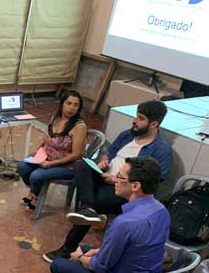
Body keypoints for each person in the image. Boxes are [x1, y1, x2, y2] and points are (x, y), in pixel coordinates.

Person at [43, 99, 172, 263]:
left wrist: (118, 179)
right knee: (82, 165)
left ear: (153, 124)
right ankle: (88, 208)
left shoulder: (161, 150)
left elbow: (153, 183)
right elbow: (108, 151)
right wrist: (103, 160)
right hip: (104, 175)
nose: (134, 120)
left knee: (95, 202)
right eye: (136, 116)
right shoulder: (128, 134)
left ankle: (67, 248)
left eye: (140, 118)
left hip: (123, 190)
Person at [50, 157, 170, 273]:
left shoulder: (125, 223)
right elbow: (137, 246)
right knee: (87, 249)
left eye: (119, 177)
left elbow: (99, 267)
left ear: (135, 186)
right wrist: (97, 251)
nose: (115, 180)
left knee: (59, 265)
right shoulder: (161, 210)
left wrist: (81, 258)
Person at [16, 90, 87, 209]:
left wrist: (51, 164)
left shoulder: (79, 127)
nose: (72, 108)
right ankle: (34, 192)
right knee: (22, 166)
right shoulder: (56, 117)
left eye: (76, 105)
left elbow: (76, 155)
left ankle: (36, 196)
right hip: (47, 157)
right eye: (68, 103)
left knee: (36, 175)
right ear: (62, 104)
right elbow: (47, 136)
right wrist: (37, 150)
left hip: (68, 166)